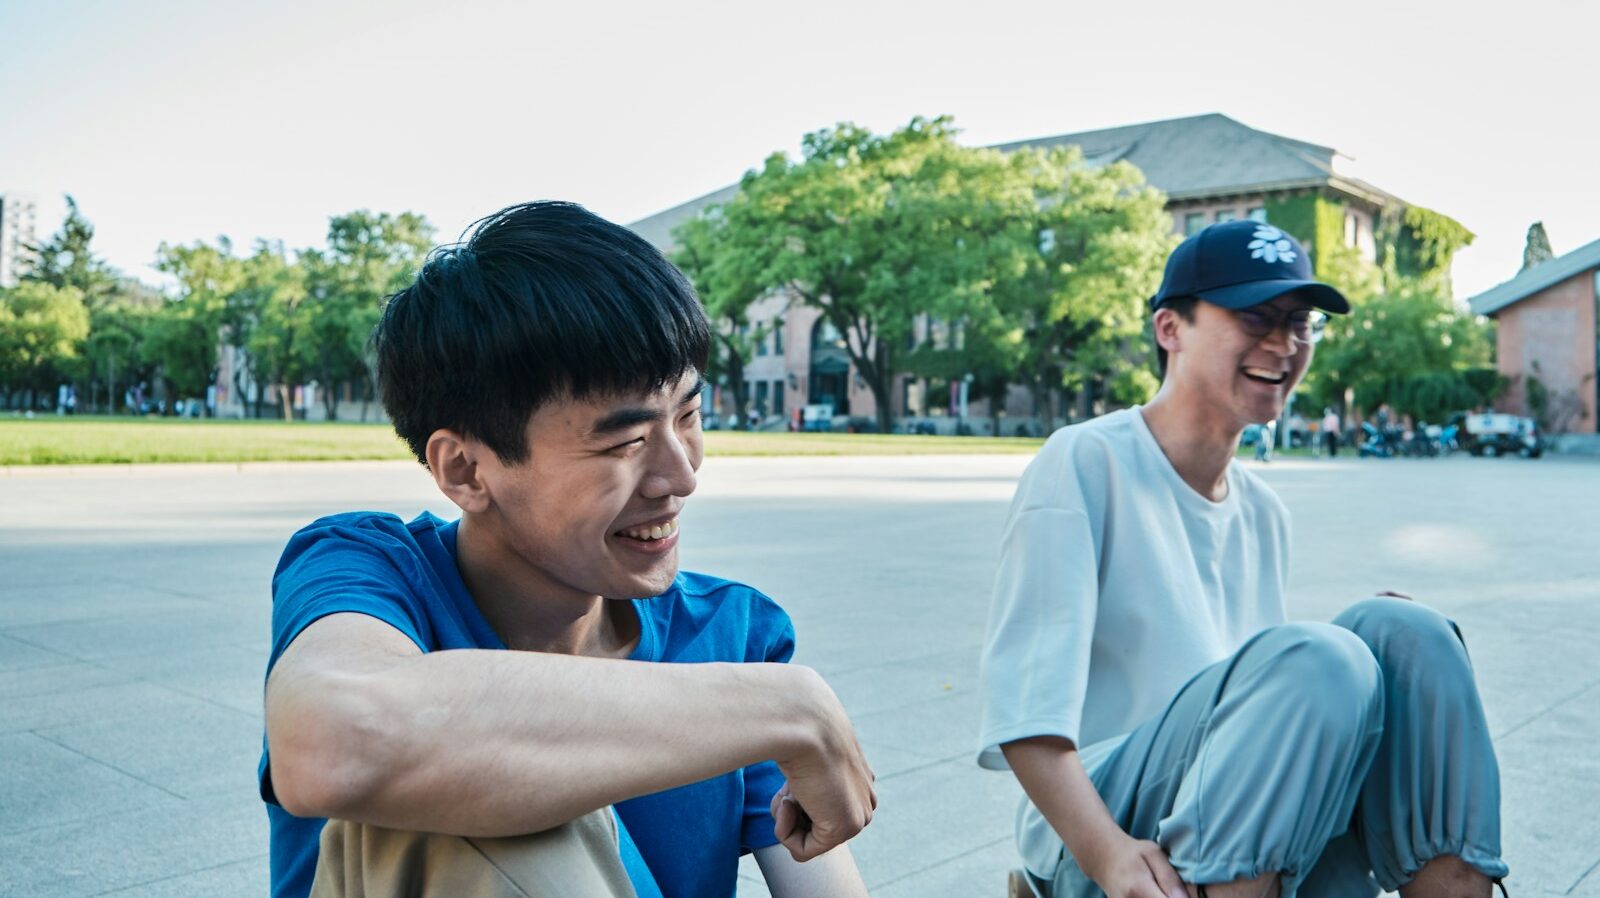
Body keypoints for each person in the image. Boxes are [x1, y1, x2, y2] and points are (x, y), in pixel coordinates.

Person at [261, 201, 874, 898]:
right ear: (465, 470)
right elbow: (334, 744)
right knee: (471, 786)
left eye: (689, 416)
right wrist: (789, 707)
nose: (681, 476)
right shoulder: (371, 570)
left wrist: (772, 699)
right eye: (624, 442)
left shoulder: (728, 632)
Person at [978, 220, 1506, 898]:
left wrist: (1364, 654)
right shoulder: (1086, 463)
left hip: (1226, 815)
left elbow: (1245, 696)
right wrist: (1108, 855)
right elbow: (1025, 716)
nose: (1284, 344)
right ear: (1171, 328)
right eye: (1256, 316)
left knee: (1407, 637)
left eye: (1300, 323)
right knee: (1326, 656)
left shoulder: (1262, 510)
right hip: (1101, 833)